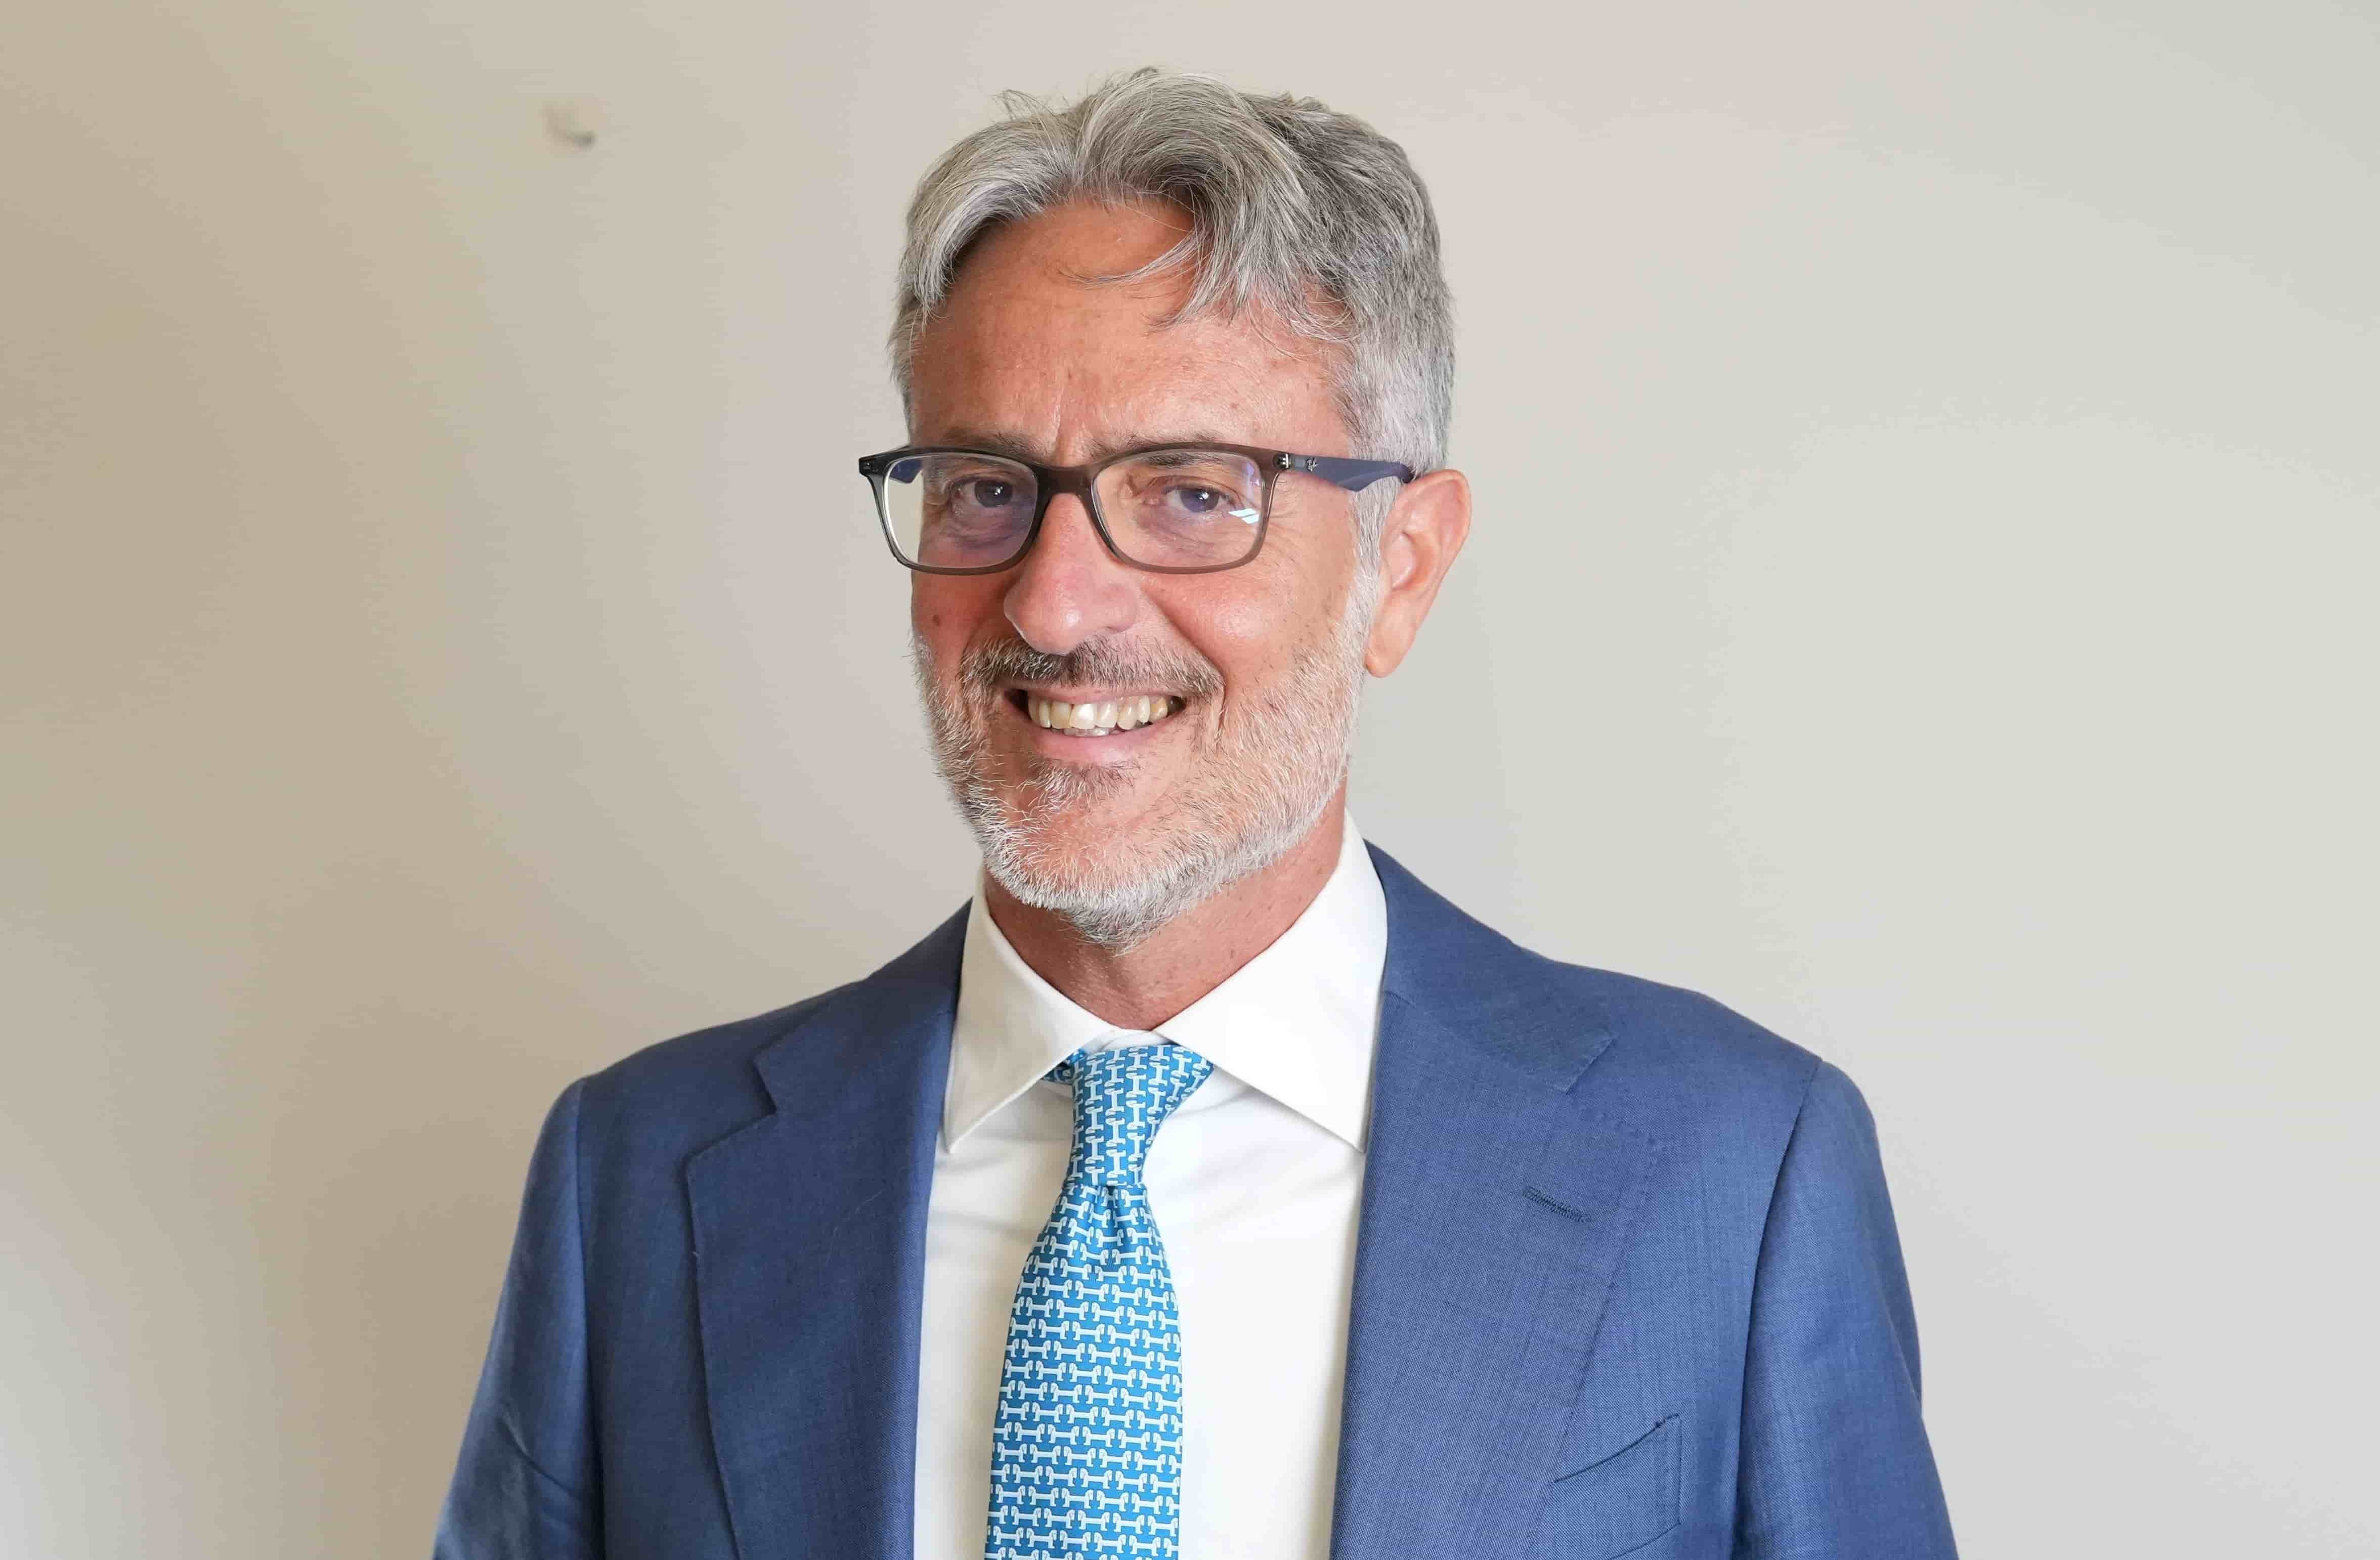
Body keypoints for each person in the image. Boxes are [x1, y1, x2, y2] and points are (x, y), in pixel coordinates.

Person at [434, 68, 1958, 1560]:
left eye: (1192, 491)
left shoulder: (1732, 1168)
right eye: (985, 487)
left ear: (1402, 567)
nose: (1054, 602)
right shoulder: (637, 1175)